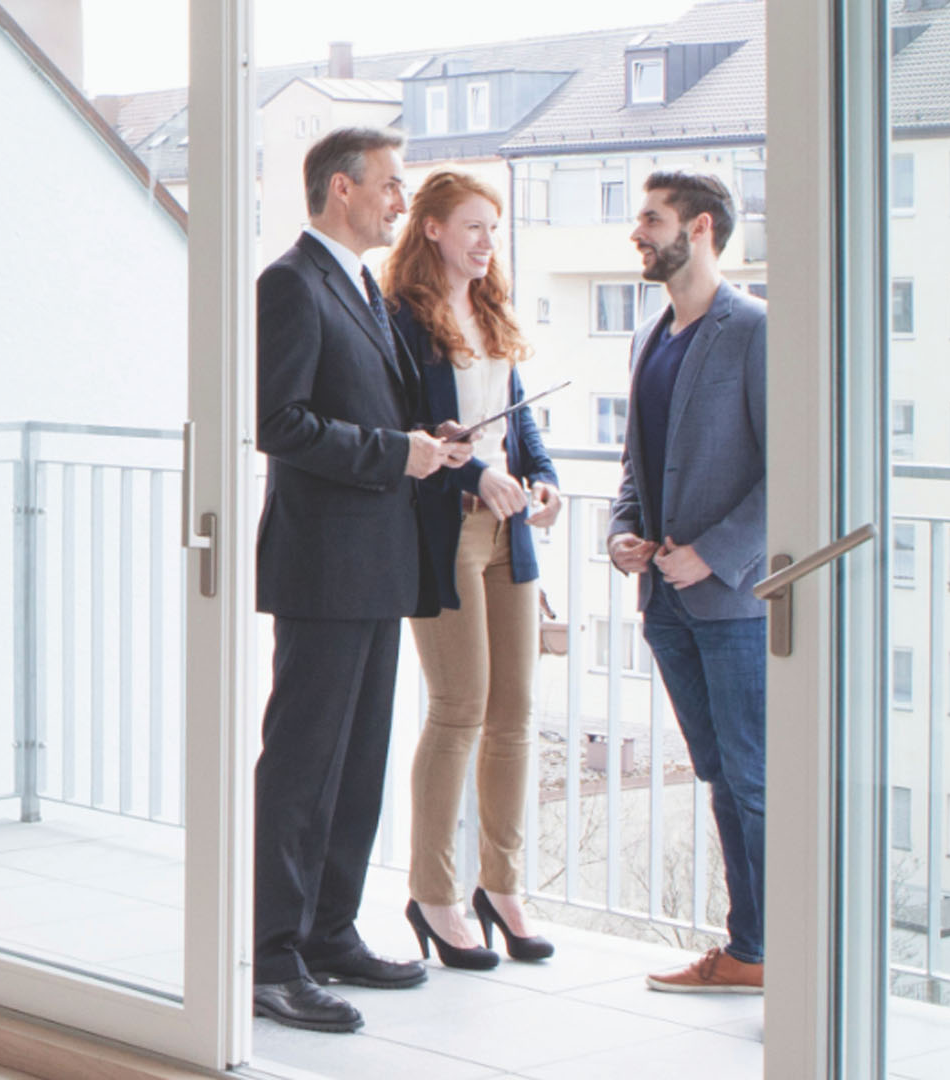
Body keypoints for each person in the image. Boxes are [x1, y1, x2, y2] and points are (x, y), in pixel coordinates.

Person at [253, 128, 471, 1033]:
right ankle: (271, 956)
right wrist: (397, 453)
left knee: (358, 764)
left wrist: (435, 448)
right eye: (388, 185)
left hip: (376, 562)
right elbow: (281, 423)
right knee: (303, 764)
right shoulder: (291, 284)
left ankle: (330, 931)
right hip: (322, 563)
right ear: (341, 189)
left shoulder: (367, 291)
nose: (399, 199)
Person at [383, 170, 562, 969]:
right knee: (460, 709)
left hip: (507, 530)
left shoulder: (490, 312)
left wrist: (543, 478)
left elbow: (516, 424)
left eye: (494, 228)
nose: (488, 242)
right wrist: (469, 474)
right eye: (474, 227)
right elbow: (405, 434)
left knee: (516, 713)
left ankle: (502, 885)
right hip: (445, 532)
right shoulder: (402, 322)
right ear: (431, 230)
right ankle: (434, 894)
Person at [607, 171, 767, 994]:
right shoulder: (648, 335)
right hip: (666, 603)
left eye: (651, 218)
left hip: (735, 603)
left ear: (700, 228)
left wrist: (716, 553)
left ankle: (764, 950)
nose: (637, 231)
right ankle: (750, 951)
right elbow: (637, 466)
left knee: (753, 775)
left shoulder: (755, 331)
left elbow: (793, 473)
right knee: (718, 774)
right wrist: (619, 536)